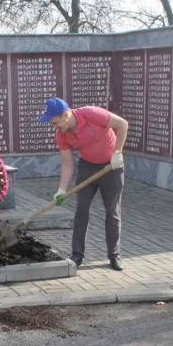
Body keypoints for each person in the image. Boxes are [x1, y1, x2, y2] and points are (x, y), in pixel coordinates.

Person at [39, 97, 128, 271]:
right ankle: (77, 254)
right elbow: (67, 162)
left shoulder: (92, 114)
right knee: (81, 211)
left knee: (112, 211)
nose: (55, 128)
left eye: (56, 123)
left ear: (65, 114)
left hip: (112, 166)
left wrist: (117, 153)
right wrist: (61, 190)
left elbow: (122, 124)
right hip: (87, 167)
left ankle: (114, 254)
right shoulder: (62, 134)